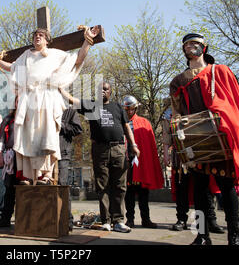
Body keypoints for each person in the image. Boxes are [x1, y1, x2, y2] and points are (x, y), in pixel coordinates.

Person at [169, 33, 239, 245]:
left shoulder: (219, 71)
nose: (190, 46)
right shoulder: (178, 80)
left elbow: (233, 104)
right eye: (187, 44)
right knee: (199, 190)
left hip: (220, 137)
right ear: (183, 50)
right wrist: (176, 135)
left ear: (203, 48)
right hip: (195, 139)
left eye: (195, 43)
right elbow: (176, 111)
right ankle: (202, 235)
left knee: (227, 187)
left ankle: (235, 235)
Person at [0, 26, 100, 184]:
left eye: (41, 35)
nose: (38, 37)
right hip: (29, 101)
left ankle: (47, 175)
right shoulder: (25, 56)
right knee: (28, 137)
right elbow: (12, 67)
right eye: (35, 35)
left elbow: (77, 59)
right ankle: (30, 176)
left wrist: (87, 41)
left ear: (47, 40)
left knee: (47, 136)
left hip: (48, 99)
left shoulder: (55, 55)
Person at [60, 82, 140, 233]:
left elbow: (126, 127)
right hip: (100, 149)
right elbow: (72, 99)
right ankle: (106, 221)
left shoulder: (117, 107)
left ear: (111, 92)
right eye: (100, 89)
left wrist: (133, 145)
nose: (103, 91)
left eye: (106, 89)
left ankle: (119, 221)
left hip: (118, 149)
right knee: (102, 185)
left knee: (120, 186)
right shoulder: (91, 106)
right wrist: (59, 87)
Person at [161, 98, 225, 234]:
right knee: (181, 188)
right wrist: (166, 154)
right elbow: (167, 136)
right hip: (179, 153)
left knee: (204, 188)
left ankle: (210, 220)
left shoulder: (196, 106)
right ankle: (182, 219)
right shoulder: (169, 114)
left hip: (198, 152)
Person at [122, 95, 163, 229]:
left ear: (135, 109)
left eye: (131, 109)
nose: (129, 112)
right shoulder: (120, 122)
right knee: (129, 192)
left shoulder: (144, 122)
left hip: (141, 163)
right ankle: (130, 220)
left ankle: (146, 219)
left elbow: (150, 145)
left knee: (143, 192)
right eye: (127, 110)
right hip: (126, 162)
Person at [0, 103, 17, 228]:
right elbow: (1, 137)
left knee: (25, 188)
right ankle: (5, 218)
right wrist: (0, 155)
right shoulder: (8, 119)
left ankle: (24, 219)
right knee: (9, 188)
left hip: (27, 157)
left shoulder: (32, 116)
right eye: (18, 101)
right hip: (11, 156)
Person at [58, 106, 83, 230]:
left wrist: (61, 125)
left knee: (62, 185)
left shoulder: (69, 111)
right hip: (46, 154)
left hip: (62, 153)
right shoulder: (45, 108)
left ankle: (67, 220)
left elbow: (78, 129)